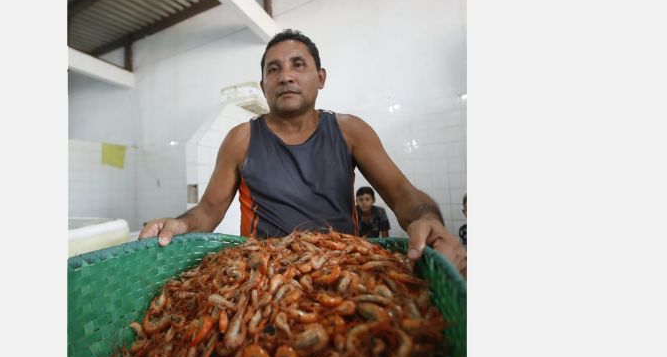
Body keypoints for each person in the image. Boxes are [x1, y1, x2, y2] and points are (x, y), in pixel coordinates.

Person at [140, 29, 466, 273]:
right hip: (263, 277)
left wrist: (426, 218)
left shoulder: (350, 130)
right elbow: (208, 211)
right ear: (263, 84)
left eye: (298, 64)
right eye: (273, 69)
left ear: (320, 77)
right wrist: (180, 224)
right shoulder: (240, 139)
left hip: (343, 273)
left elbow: (402, 195)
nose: (286, 76)